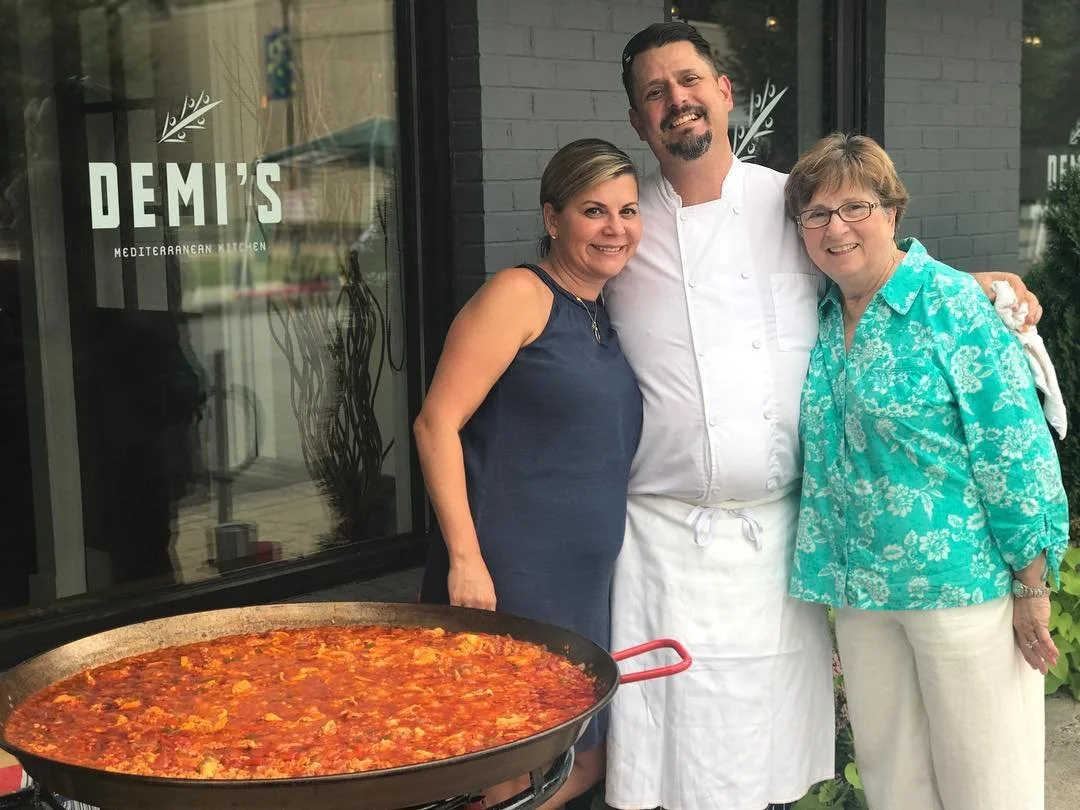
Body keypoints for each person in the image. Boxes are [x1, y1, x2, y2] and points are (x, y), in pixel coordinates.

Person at [602, 21, 1044, 810]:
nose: (678, 101)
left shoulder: (785, 202)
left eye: (690, 81)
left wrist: (974, 288)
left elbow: (881, 267)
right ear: (639, 121)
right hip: (707, 550)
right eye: (656, 93)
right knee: (881, 772)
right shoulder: (625, 226)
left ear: (724, 93)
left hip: (808, 550)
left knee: (970, 776)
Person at [785, 133, 1068, 810]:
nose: (836, 228)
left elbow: (1013, 448)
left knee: (988, 785)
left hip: (959, 590)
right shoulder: (819, 314)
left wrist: (1031, 584)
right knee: (894, 784)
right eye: (817, 214)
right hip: (863, 594)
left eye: (855, 207)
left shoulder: (954, 306)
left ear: (892, 212)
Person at [415, 138, 644, 809]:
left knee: (589, 756)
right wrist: (465, 558)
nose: (614, 227)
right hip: (510, 570)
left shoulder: (604, 310)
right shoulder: (520, 294)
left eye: (628, 211)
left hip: (583, 580)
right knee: (514, 753)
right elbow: (435, 424)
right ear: (552, 218)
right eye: (593, 210)